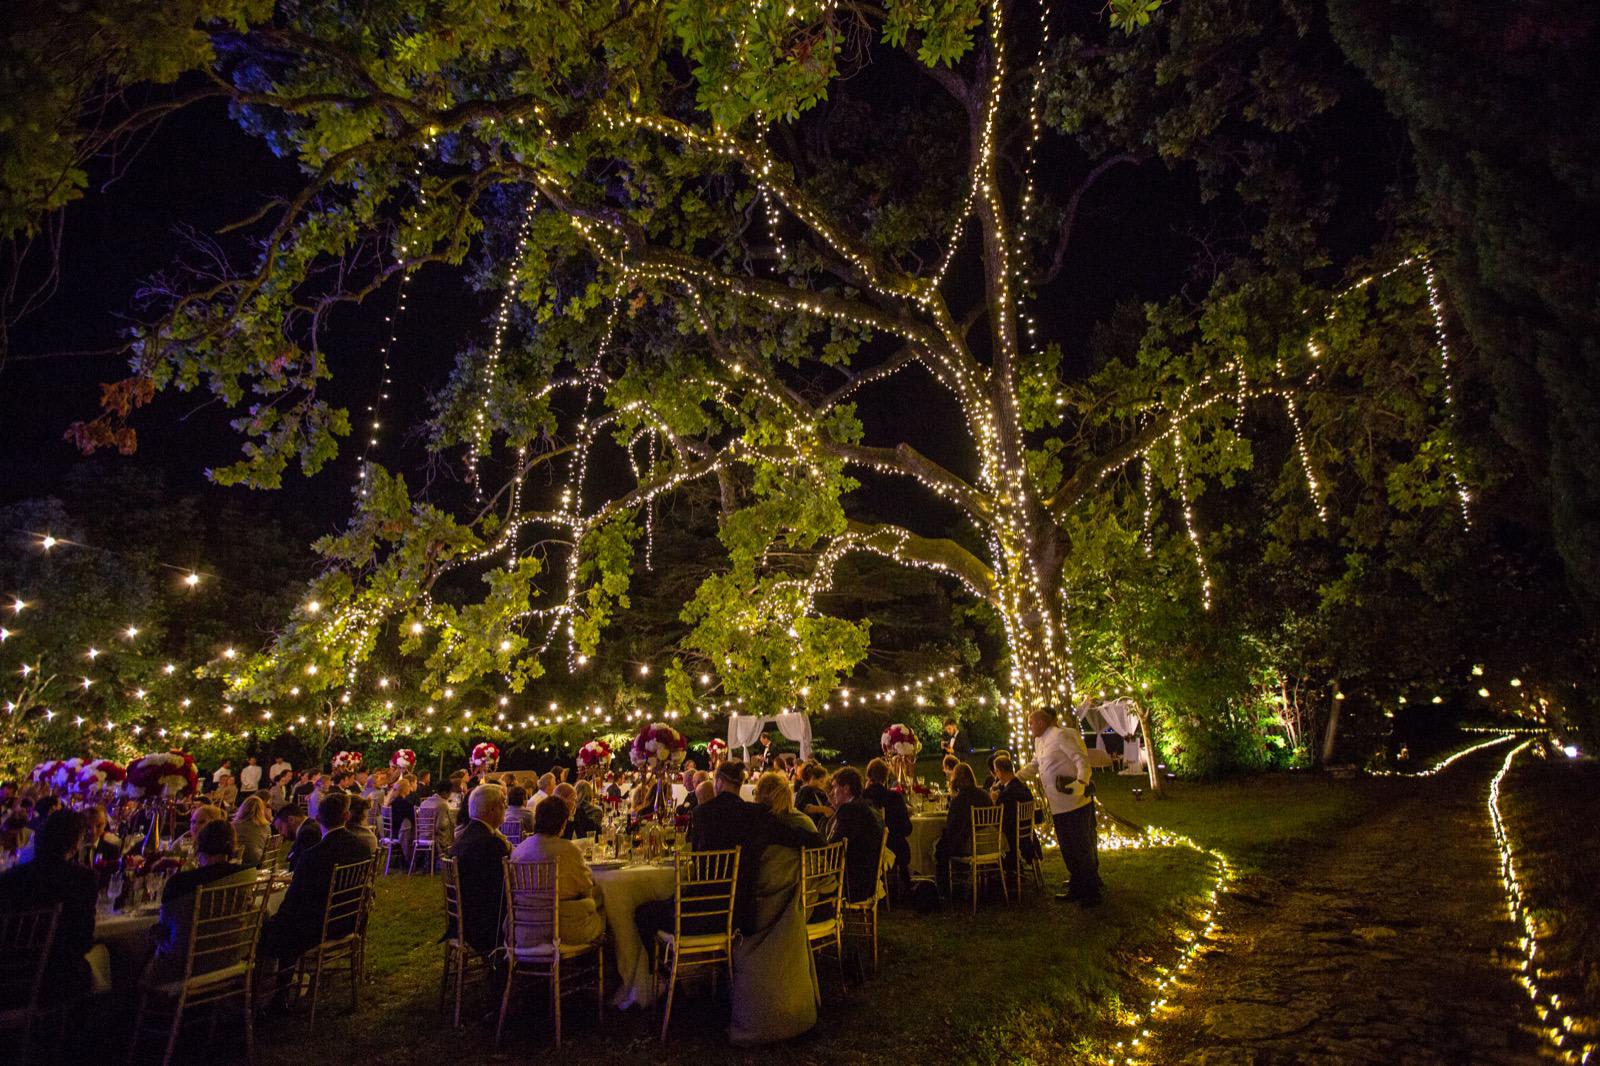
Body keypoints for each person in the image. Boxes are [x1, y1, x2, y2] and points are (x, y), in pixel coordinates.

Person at [636, 761, 821, 944]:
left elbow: (696, 862)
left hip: (700, 913)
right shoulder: (758, 815)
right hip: (741, 917)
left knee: (643, 913)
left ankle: (656, 964)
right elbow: (800, 837)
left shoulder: (702, 813)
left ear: (718, 782)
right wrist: (822, 840)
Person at [258, 792, 373, 1009]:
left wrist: (276, 920)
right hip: (350, 920)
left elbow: (294, 900)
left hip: (320, 927)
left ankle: (270, 994)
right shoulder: (362, 848)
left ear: (318, 819)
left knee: (267, 931)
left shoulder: (314, 855)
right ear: (346, 816)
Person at [0, 808, 96, 1003]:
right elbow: (83, 941)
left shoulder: (12, 877)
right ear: (76, 842)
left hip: (8, 977)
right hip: (55, 980)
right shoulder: (83, 880)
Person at [150, 819, 253, 980]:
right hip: (228, 957)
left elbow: (166, 926)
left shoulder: (180, 883)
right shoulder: (245, 875)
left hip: (184, 966)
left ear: (199, 845)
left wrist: (154, 932)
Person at [1021, 706, 1100, 905]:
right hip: (1057, 805)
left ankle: (1091, 891)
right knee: (1068, 847)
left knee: (1081, 846)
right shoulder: (1039, 741)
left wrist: (1081, 783)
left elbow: (1080, 760)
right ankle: (1077, 885)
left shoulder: (1061, 735)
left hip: (1074, 801)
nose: (1029, 727)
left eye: (1031, 723)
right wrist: (1015, 777)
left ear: (1041, 722)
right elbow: (1035, 765)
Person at [509, 796, 604, 949]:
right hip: (563, 930)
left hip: (525, 930)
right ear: (563, 823)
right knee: (602, 904)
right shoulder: (568, 850)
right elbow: (586, 887)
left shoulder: (519, 850)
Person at [449, 784, 510, 957]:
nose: (505, 808)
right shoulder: (490, 843)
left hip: (462, 920)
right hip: (484, 925)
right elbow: (505, 885)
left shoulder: (465, 836)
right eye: (502, 804)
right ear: (491, 810)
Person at [934, 763, 996, 901]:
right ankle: (962, 878)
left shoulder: (958, 801)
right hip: (990, 843)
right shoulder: (984, 795)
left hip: (969, 845)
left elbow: (952, 828)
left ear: (956, 781)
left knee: (941, 848)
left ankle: (945, 891)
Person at [825, 767, 885, 904]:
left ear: (846, 788)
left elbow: (835, 847)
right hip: (866, 881)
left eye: (835, 787)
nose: (833, 792)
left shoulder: (850, 810)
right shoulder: (862, 806)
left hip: (852, 884)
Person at [862, 758, 912, 896]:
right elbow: (907, 829)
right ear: (886, 777)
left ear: (869, 776)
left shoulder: (862, 798)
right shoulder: (895, 797)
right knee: (901, 843)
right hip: (896, 849)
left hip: (871, 849)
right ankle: (906, 886)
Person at [989, 755, 1041, 876]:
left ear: (1000, 771)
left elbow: (1002, 819)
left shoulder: (1007, 793)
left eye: (996, 771)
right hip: (1027, 835)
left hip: (1012, 837)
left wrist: (995, 801)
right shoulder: (1023, 788)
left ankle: (998, 872)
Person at [273, 804, 322, 872]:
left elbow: (300, 866)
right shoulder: (308, 828)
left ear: (291, 820)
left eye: (280, 828)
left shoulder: (308, 833)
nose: (281, 834)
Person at [232, 794, 274, 867]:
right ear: (261, 810)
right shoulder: (266, 827)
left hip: (236, 862)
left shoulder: (234, 825)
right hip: (257, 862)